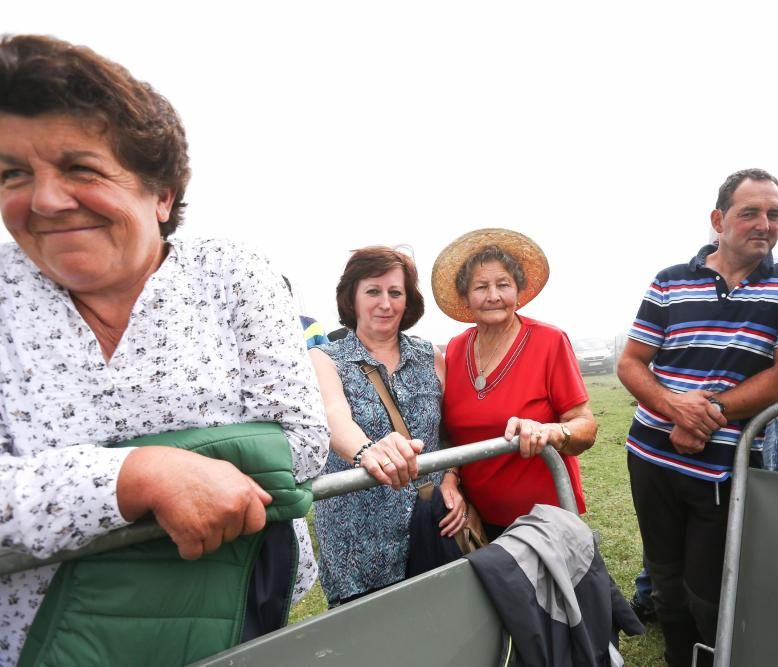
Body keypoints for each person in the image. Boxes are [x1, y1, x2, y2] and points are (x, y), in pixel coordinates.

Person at [0, 35, 329, 663]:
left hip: (232, 618)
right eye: (14, 173)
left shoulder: (230, 273)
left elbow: (301, 443)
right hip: (36, 641)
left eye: (80, 168)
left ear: (161, 194)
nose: (44, 199)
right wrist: (136, 477)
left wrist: (49, 483)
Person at [617, 169, 778, 666]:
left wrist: (705, 415)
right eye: (750, 212)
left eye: (774, 213)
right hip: (651, 455)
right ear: (718, 219)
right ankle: (679, 656)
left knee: (711, 587)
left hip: (726, 466)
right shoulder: (671, 280)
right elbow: (631, 363)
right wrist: (675, 408)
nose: (764, 224)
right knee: (665, 578)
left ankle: (716, 657)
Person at [309, 246, 463, 606]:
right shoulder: (325, 359)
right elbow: (335, 417)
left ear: (408, 301)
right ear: (352, 298)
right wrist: (367, 451)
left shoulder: (431, 356)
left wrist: (453, 479)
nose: (385, 303)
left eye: (395, 292)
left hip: (432, 524)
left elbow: (448, 432)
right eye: (373, 291)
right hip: (358, 541)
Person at [432, 228, 597, 539]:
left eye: (503, 285)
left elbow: (585, 426)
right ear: (466, 297)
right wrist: (451, 477)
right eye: (481, 286)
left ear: (518, 291)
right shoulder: (454, 349)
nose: (493, 295)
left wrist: (553, 431)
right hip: (477, 520)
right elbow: (449, 434)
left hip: (546, 521)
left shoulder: (549, 341)